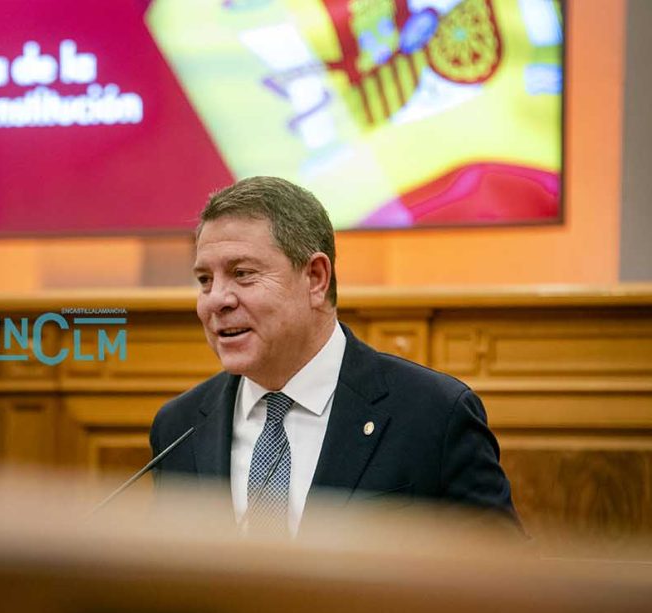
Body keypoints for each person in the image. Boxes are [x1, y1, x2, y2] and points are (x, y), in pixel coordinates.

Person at [149, 176, 518, 535]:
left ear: (315, 278)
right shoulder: (178, 427)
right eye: (204, 280)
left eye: (242, 273)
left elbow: (502, 578)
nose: (216, 299)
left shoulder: (434, 414)